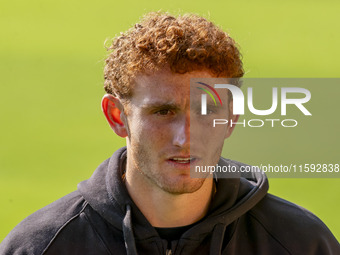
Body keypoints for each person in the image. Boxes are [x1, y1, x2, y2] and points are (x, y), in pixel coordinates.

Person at [0, 12, 339, 255]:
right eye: (163, 112)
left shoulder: (302, 243)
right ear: (117, 115)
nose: (185, 137)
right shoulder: (41, 246)